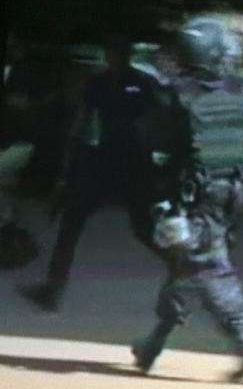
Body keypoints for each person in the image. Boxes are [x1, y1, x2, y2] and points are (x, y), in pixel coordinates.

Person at [131, 18, 243, 380]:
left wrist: (160, 192)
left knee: (207, 267)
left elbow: (151, 143)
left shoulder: (179, 94)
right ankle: (152, 346)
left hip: (195, 197)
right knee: (186, 265)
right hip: (232, 195)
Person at [18, 34, 164, 311]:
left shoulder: (143, 83)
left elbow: (156, 122)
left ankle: (188, 271)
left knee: (144, 228)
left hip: (135, 162)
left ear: (126, 54)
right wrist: (69, 164)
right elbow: (82, 120)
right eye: (111, 52)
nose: (114, 57)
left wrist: (157, 160)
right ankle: (53, 288)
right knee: (71, 221)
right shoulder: (98, 83)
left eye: (118, 52)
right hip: (105, 160)